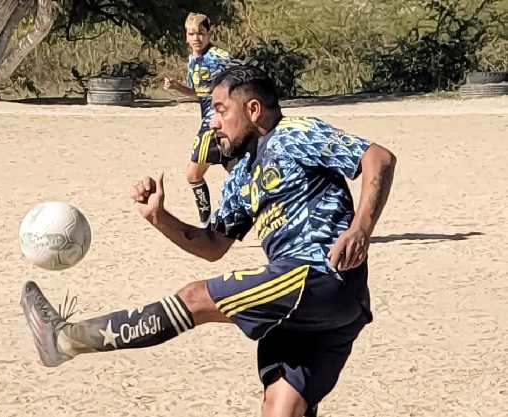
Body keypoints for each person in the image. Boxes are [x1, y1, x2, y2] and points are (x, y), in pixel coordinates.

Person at [20, 65, 396, 417]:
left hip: (317, 275)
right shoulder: (240, 176)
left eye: (220, 110)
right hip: (313, 311)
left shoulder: (294, 133)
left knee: (195, 298)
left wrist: (361, 228)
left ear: (253, 109)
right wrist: (158, 217)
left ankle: (66, 340)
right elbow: (213, 246)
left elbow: (378, 158)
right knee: (280, 408)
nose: (213, 122)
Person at [163, 12, 238, 227]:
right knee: (236, 172)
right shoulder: (193, 60)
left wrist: (225, 109)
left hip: (215, 122)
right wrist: (176, 86)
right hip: (209, 118)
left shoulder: (219, 57)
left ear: (209, 34)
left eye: (201, 33)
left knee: (193, 174)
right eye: (192, 34)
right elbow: (198, 94)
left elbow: (242, 79)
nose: (196, 38)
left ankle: (206, 222)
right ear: (186, 36)